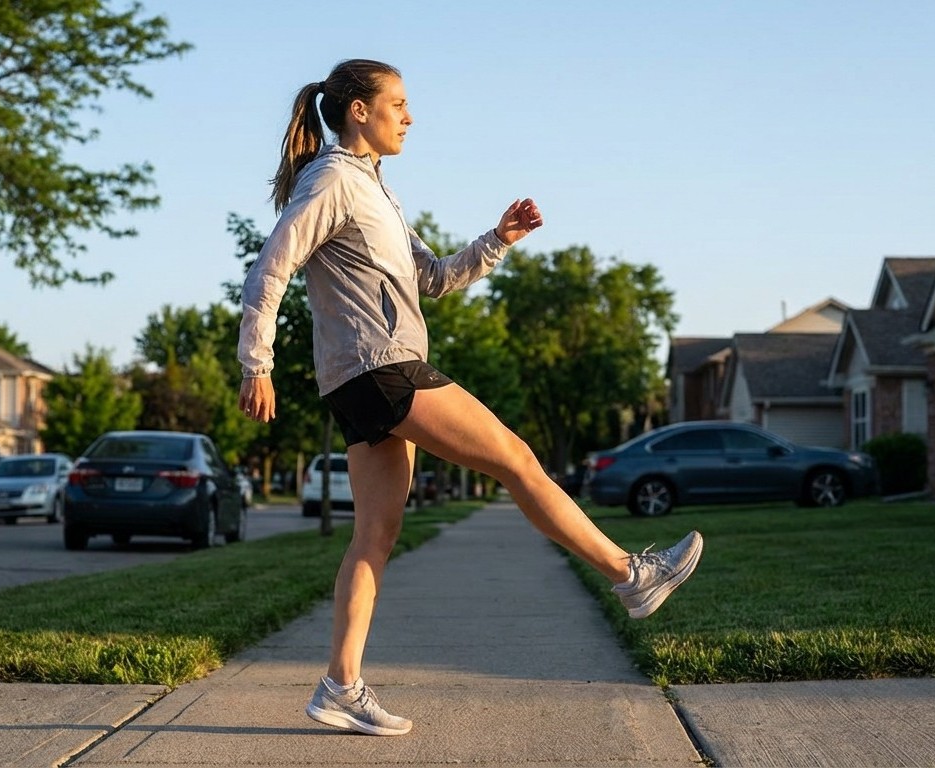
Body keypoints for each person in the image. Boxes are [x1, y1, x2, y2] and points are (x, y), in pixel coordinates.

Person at [237, 58, 703, 737]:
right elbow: (270, 267)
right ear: (358, 111)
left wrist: (498, 240)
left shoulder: (374, 189)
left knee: (374, 535)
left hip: (356, 376)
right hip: (380, 367)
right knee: (515, 458)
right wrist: (257, 363)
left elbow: (433, 278)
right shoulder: (334, 179)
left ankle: (339, 686)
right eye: (397, 103)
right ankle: (630, 574)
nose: (409, 115)